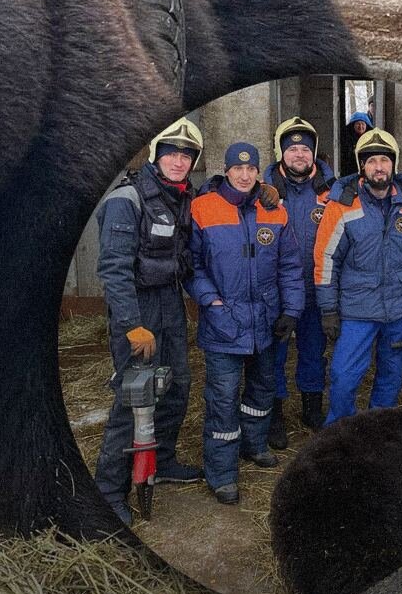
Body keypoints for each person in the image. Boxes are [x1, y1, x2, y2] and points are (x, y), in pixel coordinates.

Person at [94, 117, 205, 526]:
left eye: (187, 156)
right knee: (134, 396)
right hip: (137, 308)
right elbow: (113, 269)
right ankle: (108, 490)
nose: (179, 161)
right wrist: (130, 324)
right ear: (157, 156)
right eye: (172, 154)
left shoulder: (182, 197)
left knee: (177, 385)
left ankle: (164, 458)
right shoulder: (128, 198)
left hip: (170, 303)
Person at [186, 142, 303, 505]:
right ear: (226, 169)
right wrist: (212, 301)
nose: (244, 174)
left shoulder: (274, 211)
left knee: (262, 390)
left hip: (265, 322)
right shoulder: (203, 209)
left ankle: (254, 445)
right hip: (224, 323)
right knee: (222, 398)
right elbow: (192, 265)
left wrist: (291, 311)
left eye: (251, 168)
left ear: (258, 171)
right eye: (237, 168)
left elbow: (290, 266)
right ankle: (221, 472)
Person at [313, 128, 402, 426]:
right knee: (343, 376)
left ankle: (377, 433)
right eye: (371, 161)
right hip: (357, 310)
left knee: (391, 376)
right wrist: (328, 310)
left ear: (394, 164)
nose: (378, 166)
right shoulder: (342, 204)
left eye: (384, 160)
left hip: (400, 310)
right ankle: (339, 433)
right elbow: (326, 259)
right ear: (361, 167)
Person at [263, 117, 336, 444]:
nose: (298, 155)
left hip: (317, 288)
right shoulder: (262, 189)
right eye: (291, 148)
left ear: (314, 153)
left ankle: (311, 407)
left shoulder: (330, 190)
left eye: (305, 149)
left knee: (313, 350)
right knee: (274, 353)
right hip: (275, 291)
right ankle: (275, 413)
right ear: (281, 153)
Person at [341, 110, 374, 175]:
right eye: (358, 124)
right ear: (353, 125)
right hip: (350, 171)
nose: (360, 126)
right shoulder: (346, 138)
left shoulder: (371, 138)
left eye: (363, 124)